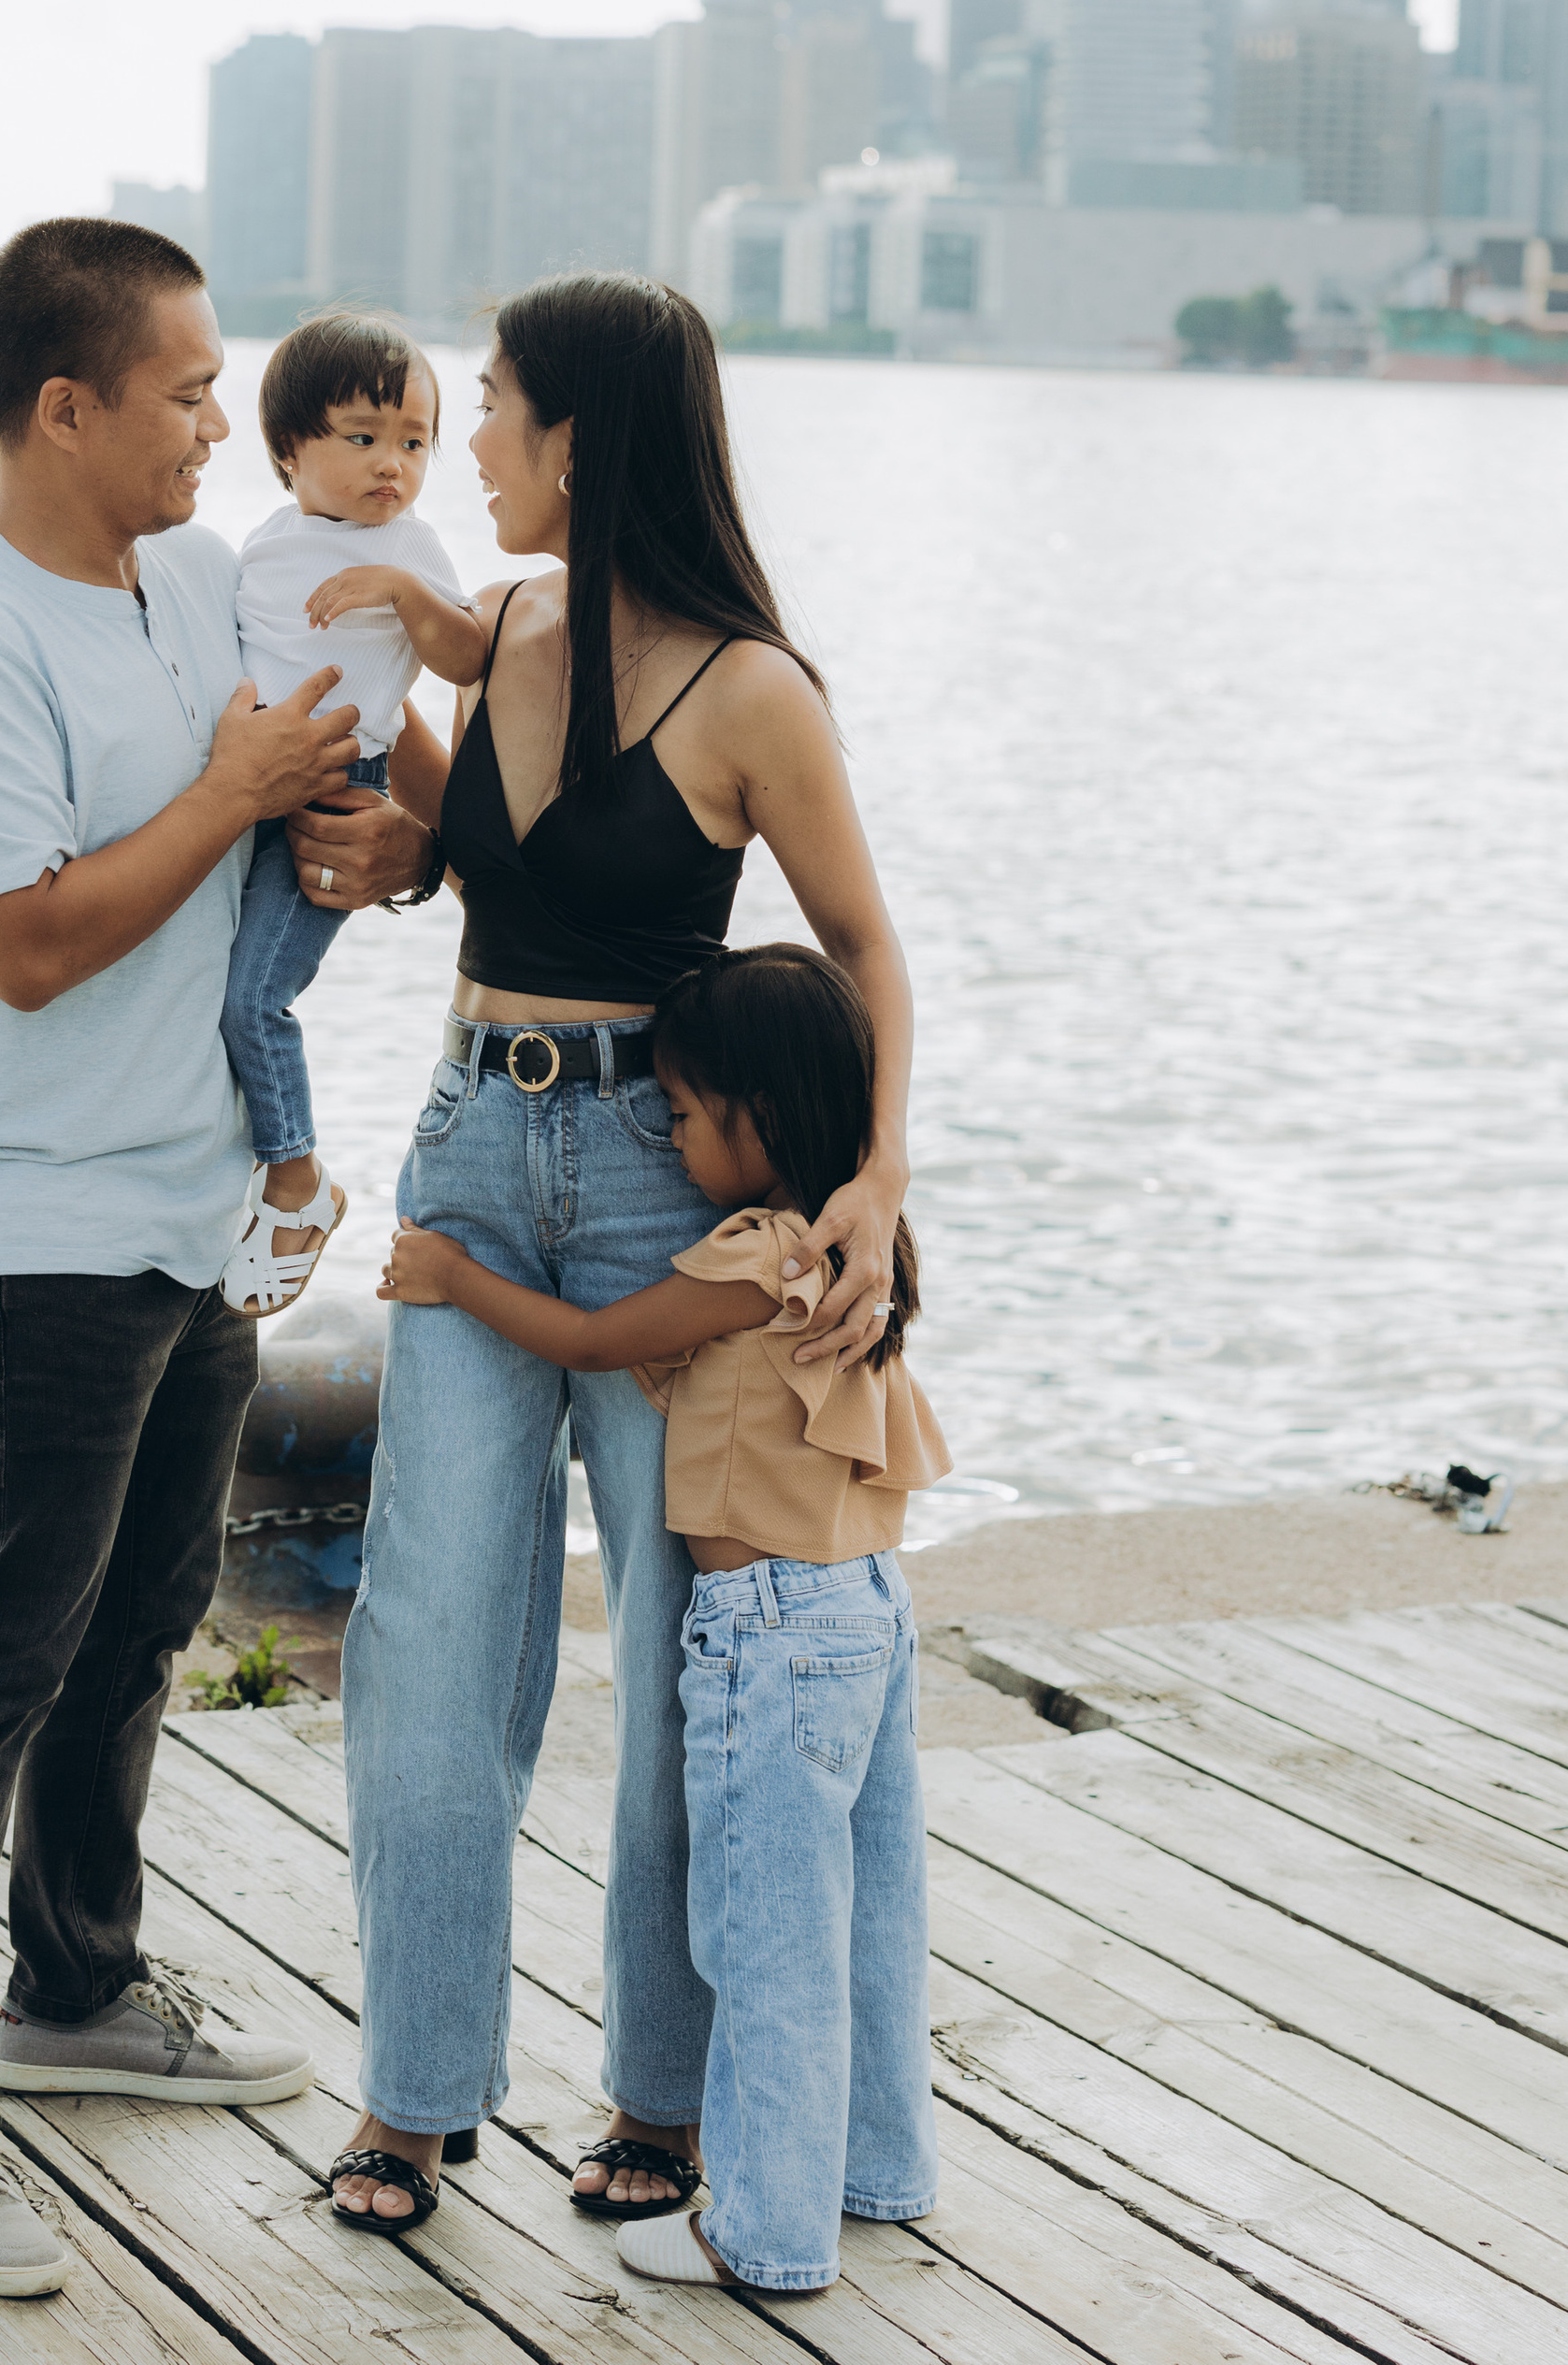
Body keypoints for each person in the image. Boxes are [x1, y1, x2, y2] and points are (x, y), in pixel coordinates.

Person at [326, 273, 917, 2239]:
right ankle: (411, 2099)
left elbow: (857, 949)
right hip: (473, 1150)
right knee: (427, 1644)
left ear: (578, 432)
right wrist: (377, 816)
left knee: (684, 1659)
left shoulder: (752, 690)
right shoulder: (496, 627)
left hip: (665, 1186)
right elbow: (477, 859)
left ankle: (658, 2096)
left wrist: (873, 1183)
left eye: (488, 406)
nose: (462, 439)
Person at [0, 217, 378, 2300]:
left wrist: (327, 822)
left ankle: (76, 1986)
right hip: (23, 1233)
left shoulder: (178, 583)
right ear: (64, 407)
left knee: (141, 1626)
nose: (215, 424)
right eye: (181, 392)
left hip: (193, 1207)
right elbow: (33, 946)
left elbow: (249, 838)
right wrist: (230, 783)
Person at [380, 941, 946, 2295]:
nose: (674, 1137)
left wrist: (455, 1279)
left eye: (686, 1115)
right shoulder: (839, 1252)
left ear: (761, 1117)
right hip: (865, 1607)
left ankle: (763, 2230)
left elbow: (587, 1343)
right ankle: (879, 2169)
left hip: (767, 1636)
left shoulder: (750, 1253)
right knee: (863, 1912)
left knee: (763, 1932)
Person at [219, 311, 484, 1316]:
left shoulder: (411, 547)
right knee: (205, 981)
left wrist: (404, 593)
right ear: (289, 449)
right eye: (363, 437)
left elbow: (465, 657)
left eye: (415, 442)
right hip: (243, 791)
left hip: (338, 792)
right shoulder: (263, 543)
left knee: (255, 997)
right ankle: (232, 1172)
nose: (394, 465)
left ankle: (299, 1179)